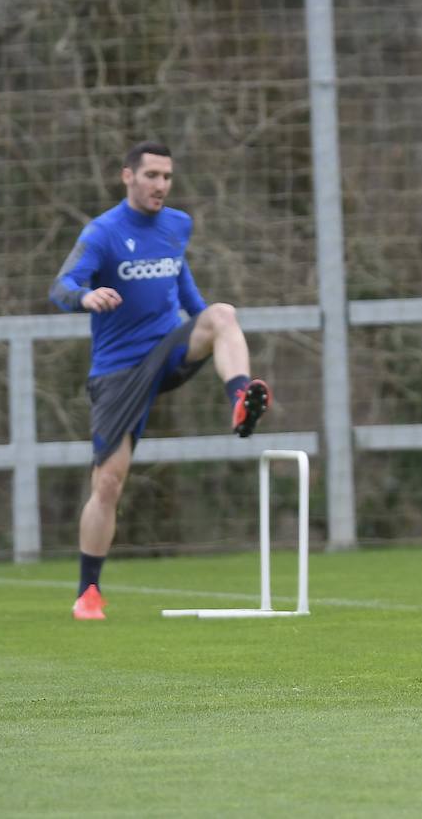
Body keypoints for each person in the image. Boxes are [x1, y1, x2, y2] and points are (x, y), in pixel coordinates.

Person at [49, 141, 273, 621]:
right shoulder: (104, 232)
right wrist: (85, 298)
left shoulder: (177, 225)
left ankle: (240, 399)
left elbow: (185, 289)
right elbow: (61, 285)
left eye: (167, 177)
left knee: (223, 313)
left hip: (168, 350)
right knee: (108, 484)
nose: (161, 186)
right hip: (119, 371)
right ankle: (88, 591)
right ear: (127, 176)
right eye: (151, 175)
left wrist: (207, 327)